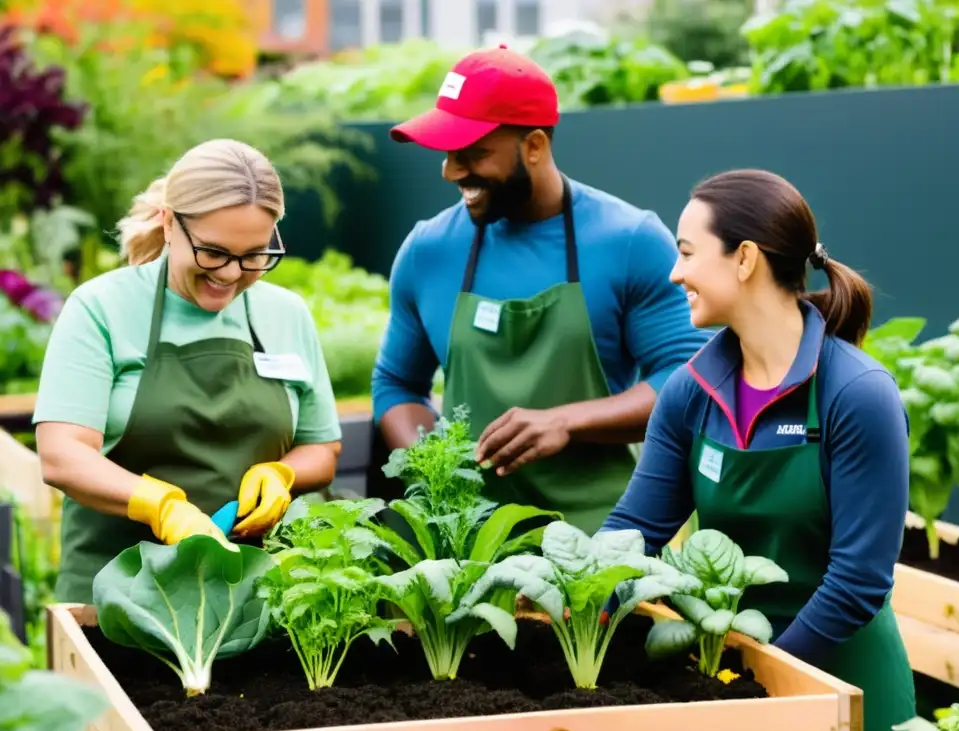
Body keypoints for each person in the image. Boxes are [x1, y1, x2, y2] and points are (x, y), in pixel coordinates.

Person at [600, 169, 917, 731]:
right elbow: (634, 529)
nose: (675, 274)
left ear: (744, 258)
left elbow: (858, 584)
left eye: (687, 253)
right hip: (737, 685)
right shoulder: (691, 392)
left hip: (844, 690)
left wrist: (752, 680)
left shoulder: (856, 394)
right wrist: (573, 593)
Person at [372, 45, 709, 534]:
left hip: (601, 541)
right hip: (467, 543)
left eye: (473, 152)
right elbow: (396, 384)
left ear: (534, 146)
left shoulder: (629, 241)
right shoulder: (429, 249)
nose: (451, 170)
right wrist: (434, 468)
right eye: (447, 153)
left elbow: (687, 382)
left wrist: (565, 421)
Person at [34, 139, 342, 604]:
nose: (231, 274)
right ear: (169, 222)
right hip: (120, 602)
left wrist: (282, 475)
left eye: (254, 255)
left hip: (259, 598)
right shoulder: (102, 308)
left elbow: (322, 447)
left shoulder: (286, 314)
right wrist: (160, 508)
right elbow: (62, 455)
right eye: (213, 253)